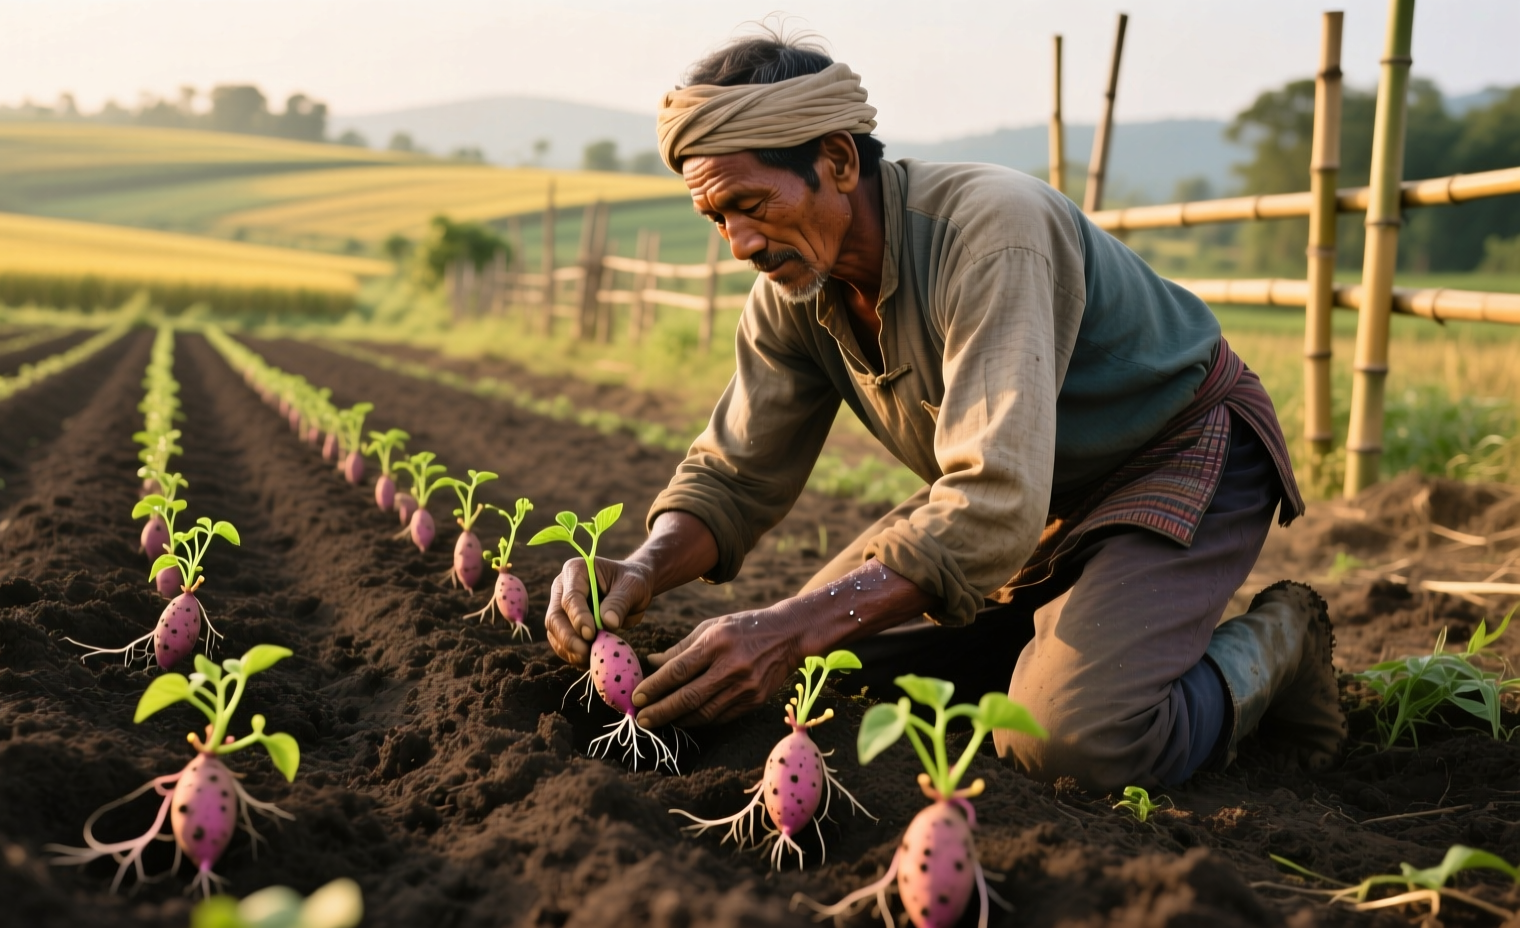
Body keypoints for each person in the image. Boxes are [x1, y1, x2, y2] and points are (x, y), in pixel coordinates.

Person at [542, 32, 1344, 792]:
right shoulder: (793, 288)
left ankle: (1274, 643)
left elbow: (991, 499)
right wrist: (643, 566)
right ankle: (1050, 640)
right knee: (821, 680)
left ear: (838, 160)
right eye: (717, 218)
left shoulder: (990, 232)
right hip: (1032, 495)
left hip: (1175, 455)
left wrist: (787, 625)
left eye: (751, 203)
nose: (739, 244)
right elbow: (734, 475)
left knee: (1070, 740)